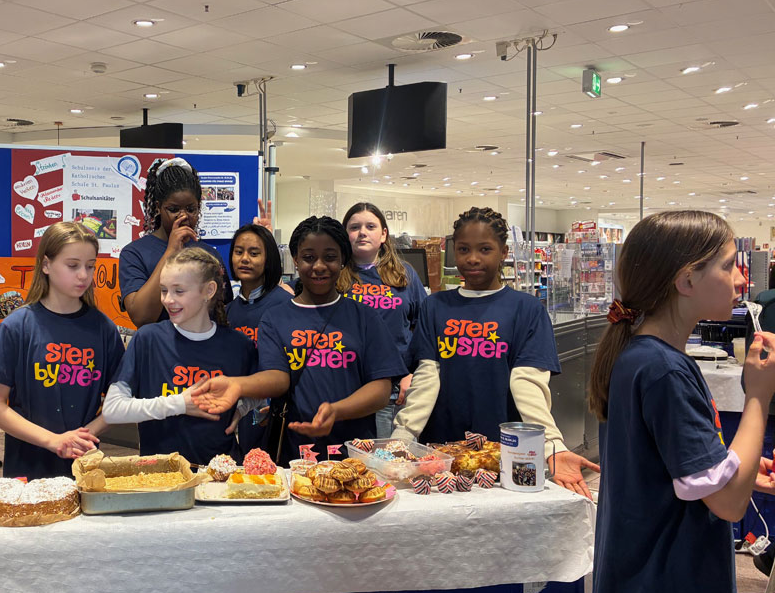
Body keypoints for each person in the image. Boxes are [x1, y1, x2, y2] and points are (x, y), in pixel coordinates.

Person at [590, 211, 775, 593]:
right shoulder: (665, 371)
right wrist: (758, 395)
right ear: (687, 279)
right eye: (728, 266)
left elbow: (672, 467)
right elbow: (728, 504)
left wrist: (735, 466)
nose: (743, 279)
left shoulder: (638, 354)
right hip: (670, 586)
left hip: (639, 580)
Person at [391, 207, 597, 496]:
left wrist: (552, 446)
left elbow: (528, 385)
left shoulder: (526, 310)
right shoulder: (435, 307)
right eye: (463, 249)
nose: (472, 258)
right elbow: (427, 377)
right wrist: (402, 437)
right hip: (441, 450)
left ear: (503, 252)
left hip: (510, 452)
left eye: (485, 249)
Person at [191, 216, 406, 464]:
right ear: (295, 259)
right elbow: (278, 377)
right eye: (309, 257)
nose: (319, 266)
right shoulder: (276, 318)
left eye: (330, 257)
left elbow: (381, 389)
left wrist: (337, 410)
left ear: (343, 260)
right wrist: (238, 385)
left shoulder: (364, 317)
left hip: (354, 454)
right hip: (293, 454)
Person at [0, 222, 124, 479]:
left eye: (90, 266)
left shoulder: (104, 329)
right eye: (73, 265)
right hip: (27, 469)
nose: (83, 275)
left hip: (84, 466)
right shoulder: (17, 327)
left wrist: (83, 436)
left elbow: (120, 399)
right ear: (46, 265)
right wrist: (54, 441)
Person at [103, 248, 257, 465]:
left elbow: (259, 390)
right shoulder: (148, 339)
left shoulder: (239, 345)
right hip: (160, 475)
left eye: (179, 291)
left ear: (209, 290)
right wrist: (179, 404)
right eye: (164, 290)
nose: (168, 300)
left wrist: (241, 409)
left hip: (220, 475)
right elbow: (112, 410)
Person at [340, 202, 427, 437]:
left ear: (384, 234)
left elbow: (424, 328)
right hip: (347, 389)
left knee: (389, 465)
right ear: (344, 234)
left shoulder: (405, 274)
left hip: (396, 390)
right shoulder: (333, 276)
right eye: (354, 227)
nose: (362, 232)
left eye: (370, 226)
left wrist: (414, 374)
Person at [119, 157, 232, 327]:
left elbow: (223, 310)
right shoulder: (135, 253)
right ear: (158, 207)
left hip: (203, 347)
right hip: (158, 348)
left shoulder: (209, 255)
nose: (183, 216)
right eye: (173, 209)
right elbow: (141, 317)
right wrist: (171, 250)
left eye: (191, 209)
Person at [226, 223, 293, 453]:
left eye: (254, 253)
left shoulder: (286, 304)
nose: (245, 259)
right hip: (239, 408)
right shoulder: (227, 311)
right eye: (238, 252)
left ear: (269, 259)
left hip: (276, 408)